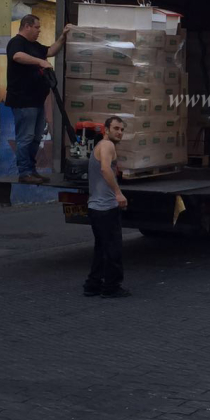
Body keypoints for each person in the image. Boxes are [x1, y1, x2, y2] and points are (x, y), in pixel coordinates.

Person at [6, 14, 69, 184]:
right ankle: (24, 172)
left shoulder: (35, 46)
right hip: (23, 101)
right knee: (26, 137)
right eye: (36, 27)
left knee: (36, 137)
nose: (39, 31)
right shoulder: (17, 42)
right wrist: (40, 62)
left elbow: (50, 51)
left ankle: (31, 170)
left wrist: (63, 37)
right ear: (27, 26)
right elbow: (17, 56)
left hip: (37, 100)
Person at [84, 116, 131, 298]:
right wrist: (118, 193)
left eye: (122, 129)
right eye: (116, 128)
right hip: (105, 208)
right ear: (106, 130)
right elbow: (105, 168)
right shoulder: (107, 145)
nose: (119, 132)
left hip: (96, 207)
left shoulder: (101, 146)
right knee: (113, 249)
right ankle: (111, 287)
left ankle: (93, 285)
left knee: (101, 249)